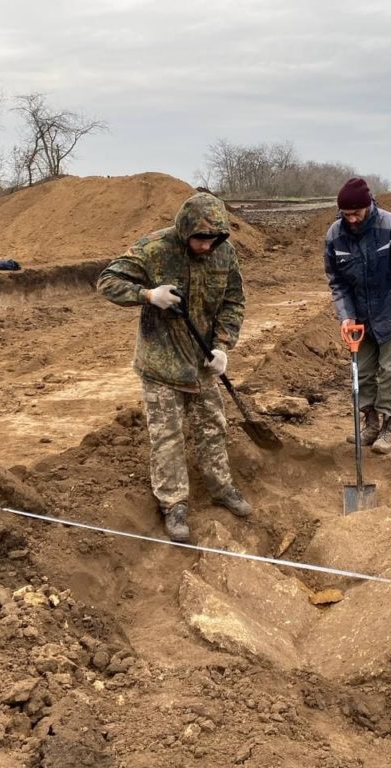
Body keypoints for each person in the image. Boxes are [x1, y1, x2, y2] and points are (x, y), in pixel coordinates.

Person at [97, 192, 251, 543]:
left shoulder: (223, 253)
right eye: (199, 239)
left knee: (213, 427)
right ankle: (174, 503)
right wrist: (148, 295)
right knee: (167, 437)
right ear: (184, 232)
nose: (205, 247)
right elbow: (107, 281)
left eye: (213, 240)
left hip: (201, 364)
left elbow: (233, 301)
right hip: (160, 365)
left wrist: (221, 346)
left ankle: (221, 487)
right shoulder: (154, 248)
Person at [323, 177, 391, 455]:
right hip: (360, 318)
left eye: (357, 213)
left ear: (369, 205)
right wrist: (346, 316)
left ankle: (387, 428)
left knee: (390, 374)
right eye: (347, 215)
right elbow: (337, 281)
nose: (353, 219)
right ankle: (369, 424)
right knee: (364, 375)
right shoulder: (335, 235)